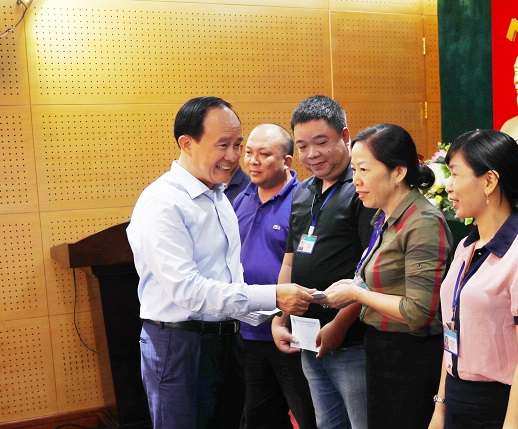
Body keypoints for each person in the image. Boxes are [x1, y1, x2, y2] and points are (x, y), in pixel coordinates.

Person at [126, 96, 315, 429]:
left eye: (237, 145)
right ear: (187, 143)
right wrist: (274, 295)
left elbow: (231, 281)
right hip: (180, 345)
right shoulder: (163, 202)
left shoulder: (219, 197)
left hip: (229, 341)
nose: (234, 157)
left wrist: (277, 313)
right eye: (223, 145)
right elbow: (189, 291)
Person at [320, 123, 452, 429]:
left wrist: (357, 294)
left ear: (398, 172)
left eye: (365, 169)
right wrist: (355, 286)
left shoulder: (422, 222)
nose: (356, 179)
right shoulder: (385, 216)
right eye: (354, 169)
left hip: (411, 356)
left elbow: (417, 313)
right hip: (382, 349)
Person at [428, 129, 518, 429]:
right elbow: (452, 336)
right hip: (458, 399)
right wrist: (440, 408)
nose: (448, 186)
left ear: (489, 181)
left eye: (455, 174)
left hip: (502, 409)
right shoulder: (466, 246)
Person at [272, 95, 376, 429]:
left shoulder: (363, 189)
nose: (311, 154)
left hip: (352, 342)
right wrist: (280, 317)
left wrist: (339, 325)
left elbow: (373, 271)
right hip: (308, 338)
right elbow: (290, 261)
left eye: (321, 142)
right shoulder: (302, 191)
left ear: (345, 136)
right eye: (302, 146)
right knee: (326, 424)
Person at [233, 123, 317, 429]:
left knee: (308, 415)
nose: (252, 161)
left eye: (264, 154)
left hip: (290, 332)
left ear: (286, 161)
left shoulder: (305, 201)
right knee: (259, 418)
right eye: (249, 152)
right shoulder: (241, 198)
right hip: (248, 331)